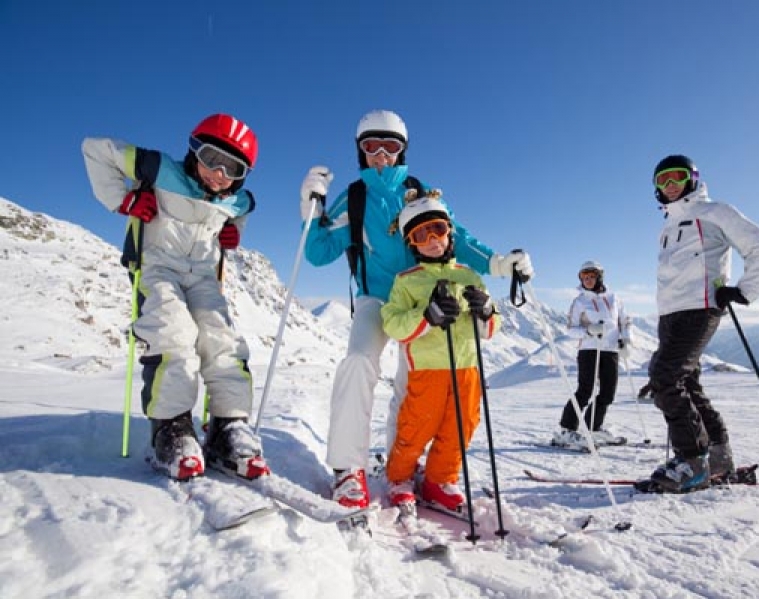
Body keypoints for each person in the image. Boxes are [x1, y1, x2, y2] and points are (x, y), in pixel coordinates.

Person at [299, 109, 534, 509]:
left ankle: (401, 470)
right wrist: (312, 211)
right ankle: (348, 469)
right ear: (360, 151)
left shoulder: (419, 189)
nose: (381, 155)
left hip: (426, 300)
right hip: (377, 299)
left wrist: (497, 264)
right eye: (371, 146)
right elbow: (319, 254)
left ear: (403, 150)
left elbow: (454, 236)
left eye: (391, 146)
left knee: (414, 385)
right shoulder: (354, 197)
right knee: (358, 361)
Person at [82, 114, 268, 482]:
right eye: (211, 158)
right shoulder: (158, 168)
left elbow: (238, 216)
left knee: (222, 340)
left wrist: (232, 233)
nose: (218, 173)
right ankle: (171, 429)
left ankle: (228, 427)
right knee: (174, 335)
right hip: (158, 268)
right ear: (193, 150)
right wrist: (125, 200)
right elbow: (95, 150)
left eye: (232, 168)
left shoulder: (239, 200)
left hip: (202, 277)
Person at [645, 154, 759, 493]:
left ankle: (692, 461)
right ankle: (718, 456)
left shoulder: (713, 211)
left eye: (676, 176)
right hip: (670, 314)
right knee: (686, 383)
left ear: (692, 178)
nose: (670, 185)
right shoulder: (668, 225)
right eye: (662, 180)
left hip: (700, 309)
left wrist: (745, 290)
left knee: (666, 378)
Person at [380, 194, 500, 514]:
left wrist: (486, 311)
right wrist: (427, 316)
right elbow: (393, 324)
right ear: (411, 243)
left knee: (461, 427)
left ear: (449, 232)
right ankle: (400, 478)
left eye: (437, 229)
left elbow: (489, 330)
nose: (432, 240)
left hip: (467, 367)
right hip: (429, 368)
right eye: (421, 235)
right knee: (418, 425)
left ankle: (439, 480)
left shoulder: (469, 276)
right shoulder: (406, 282)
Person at [551, 260, 632, 450]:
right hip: (589, 349)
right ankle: (567, 429)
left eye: (591, 276)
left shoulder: (614, 298)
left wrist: (626, 340)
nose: (587, 280)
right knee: (585, 391)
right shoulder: (580, 301)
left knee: (607, 393)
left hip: (610, 350)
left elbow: (625, 321)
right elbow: (570, 329)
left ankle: (593, 427)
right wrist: (588, 331)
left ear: (599, 277)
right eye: (584, 277)